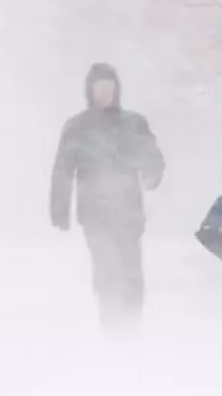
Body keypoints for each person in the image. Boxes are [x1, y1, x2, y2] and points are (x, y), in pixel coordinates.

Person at [50, 63, 165, 335]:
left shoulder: (133, 124)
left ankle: (130, 329)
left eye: (109, 88)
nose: (105, 93)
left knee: (131, 276)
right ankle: (113, 331)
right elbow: (63, 169)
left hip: (129, 213)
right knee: (107, 273)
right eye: (99, 88)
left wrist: (152, 174)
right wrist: (59, 207)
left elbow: (153, 155)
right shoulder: (77, 127)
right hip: (95, 214)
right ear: (90, 91)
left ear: (117, 90)